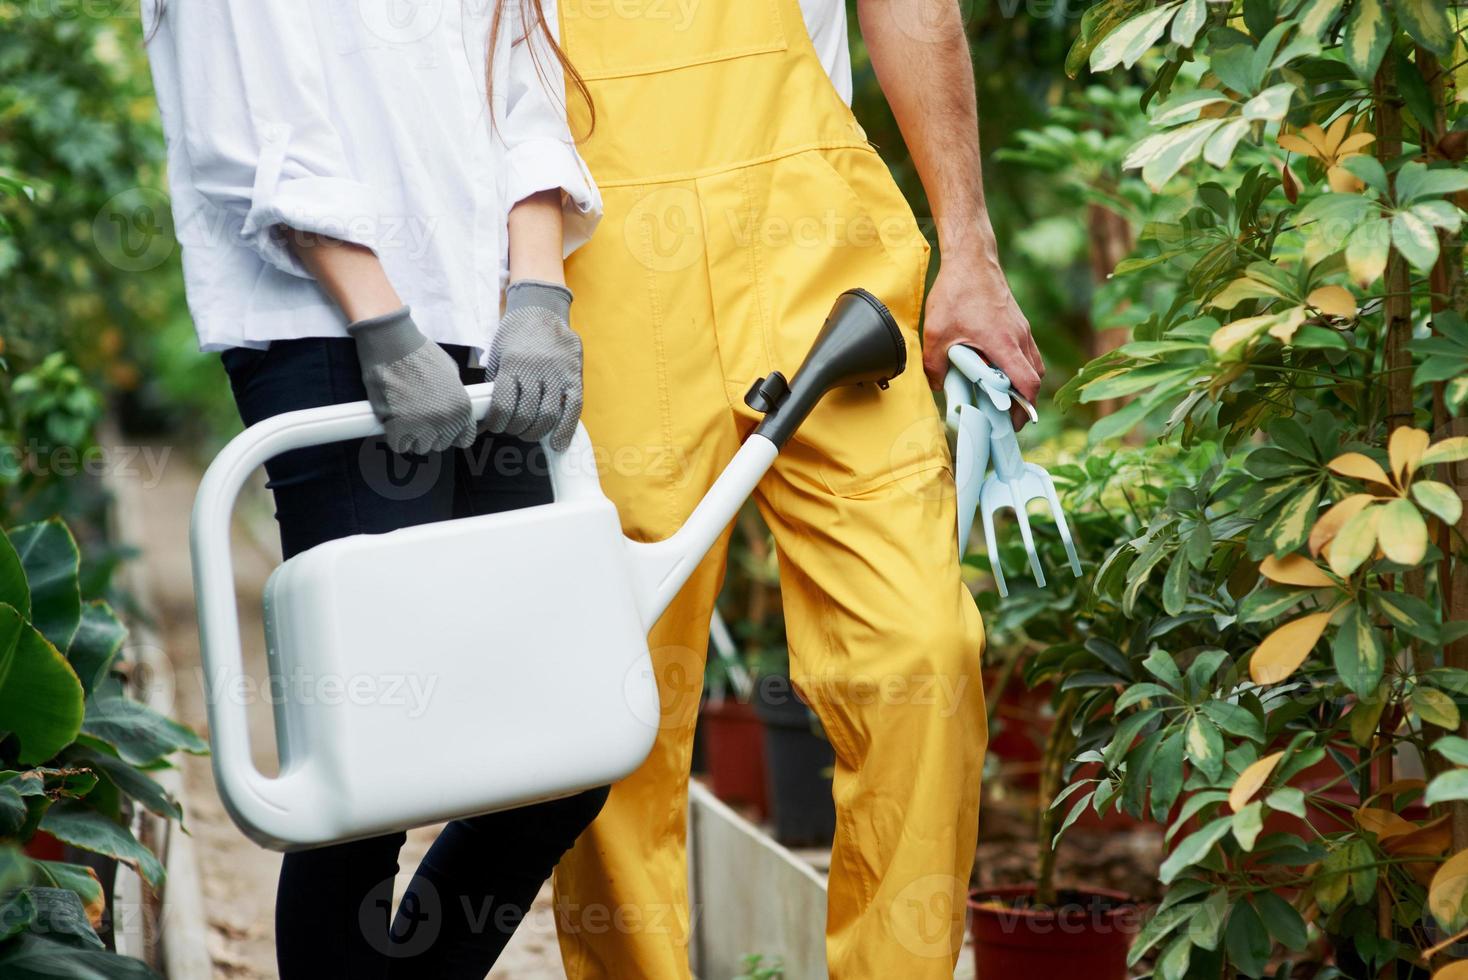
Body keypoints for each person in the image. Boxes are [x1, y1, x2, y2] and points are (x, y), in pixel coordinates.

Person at [548, 0, 1044, 975]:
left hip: (815, 257)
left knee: (922, 653)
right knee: (615, 701)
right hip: (593, 257)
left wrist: (969, 251)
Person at [143, 1, 603, 976]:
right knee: (371, 764)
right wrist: (382, 320)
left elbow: (526, 89)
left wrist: (536, 294)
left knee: (559, 749)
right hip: (323, 328)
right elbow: (245, 131)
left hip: (491, 324)